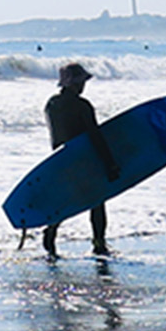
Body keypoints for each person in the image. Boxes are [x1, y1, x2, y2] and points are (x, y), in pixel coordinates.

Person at [42, 61, 113, 258]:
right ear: (73, 83)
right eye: (81, 82)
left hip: (60, 159)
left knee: (65, 199)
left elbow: (56, 135)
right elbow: (95, 136)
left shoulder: (51, 104)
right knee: (97, 201)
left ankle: (51, 232)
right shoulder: (82, 106)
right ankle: (99, 243)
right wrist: (109, 163)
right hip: (84, 159)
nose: (83, 86)